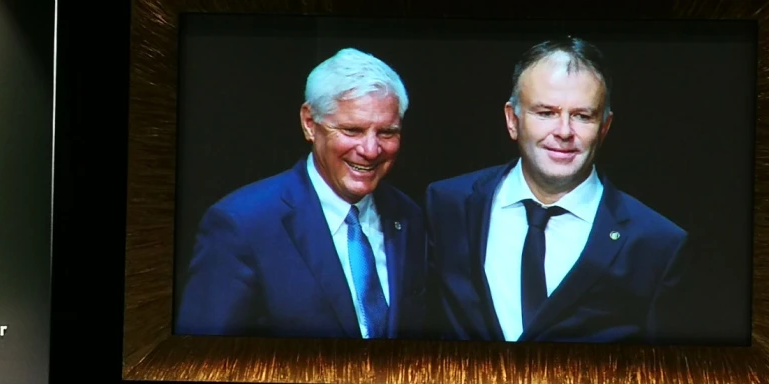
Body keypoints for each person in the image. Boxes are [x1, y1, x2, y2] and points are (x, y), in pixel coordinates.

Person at [424, 36, 688, 344]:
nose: (564, 131)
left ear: (604, 127)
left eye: (582, 116)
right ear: (513, 120)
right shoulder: (448, 204)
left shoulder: (656, 244)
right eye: (546, 112)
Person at [175, 48, 429, 340]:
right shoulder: (243, 224)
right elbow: (203, 359)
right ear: (310, 123)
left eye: (387, 132)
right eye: (352, 130)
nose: (370, 150)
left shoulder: (409, 216)